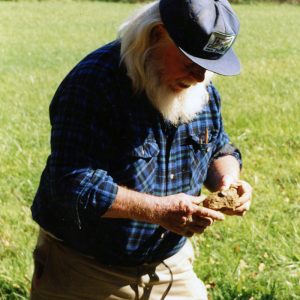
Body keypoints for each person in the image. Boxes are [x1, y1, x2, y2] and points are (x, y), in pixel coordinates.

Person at [30, 0, 252, 299]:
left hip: (169, 263)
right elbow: (72, 184)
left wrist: (229, 181)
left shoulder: (198, 86)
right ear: (156, 35)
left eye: (209, 66)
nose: (200, 77)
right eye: (191, 63)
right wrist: (159, 211)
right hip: (86, 268)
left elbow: (218, 147)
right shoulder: (93, 83)